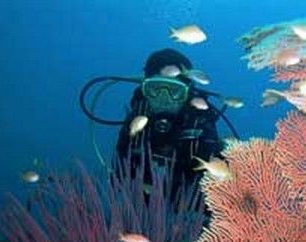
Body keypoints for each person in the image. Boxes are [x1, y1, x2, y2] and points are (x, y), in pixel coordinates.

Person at [80, 48, 239, 186]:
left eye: (175, 91)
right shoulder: (138, 119)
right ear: (144, 89)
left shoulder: (199, 121)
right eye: (155, 89)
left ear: (188, 93)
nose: (164, 99)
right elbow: (119, 173)